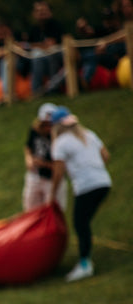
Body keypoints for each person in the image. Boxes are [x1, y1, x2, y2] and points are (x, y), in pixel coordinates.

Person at [49, 107, 112, 282]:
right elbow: (105, 156)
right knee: (83, 222)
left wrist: (52, 194)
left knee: (80, 223)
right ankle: (85, 260)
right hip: (104, 182)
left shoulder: (60, 143)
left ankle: (85, 264)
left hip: (86, 186)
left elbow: (58, 172)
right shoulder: (89, 135)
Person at [23, 103, 67, 211]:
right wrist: (29, 160)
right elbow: (28, 147)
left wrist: (42, 163)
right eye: (45, 124)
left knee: (52, 213)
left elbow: (60, 167)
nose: (48, 128)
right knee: (31, 211)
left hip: (52, 179)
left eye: (50, 124)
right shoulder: (35, 130)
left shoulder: (60, 139)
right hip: (35, 176)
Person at [22, 1, 65, 97]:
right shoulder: (34, 29)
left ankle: (52, 89)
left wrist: (31, 45)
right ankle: (36, 92)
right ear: (34, 14)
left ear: (50, 12)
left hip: (58, 57)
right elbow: (29, 46)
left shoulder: (55, 25)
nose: (41, 13)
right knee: (36, 58)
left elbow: (50, 44)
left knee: (44, 55)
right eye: (38, 11)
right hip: (41, 58)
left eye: (44, 10)